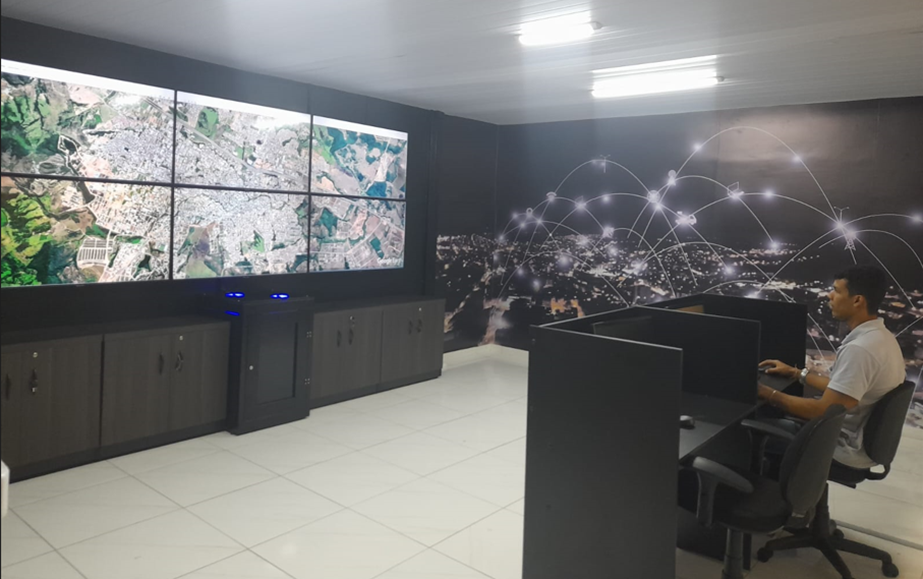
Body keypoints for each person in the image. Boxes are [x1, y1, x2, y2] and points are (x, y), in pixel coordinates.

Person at [758, 265, 906, 468]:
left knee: (748, 432)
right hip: (855, 440)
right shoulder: (882, 338)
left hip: (839, 447)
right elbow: (843, 389)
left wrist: (767, 393)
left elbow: (821, 411)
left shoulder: (861, 350)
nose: (829, 295)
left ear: (857, 300)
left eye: (836, 290)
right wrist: (797, 373)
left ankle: (766, 486)